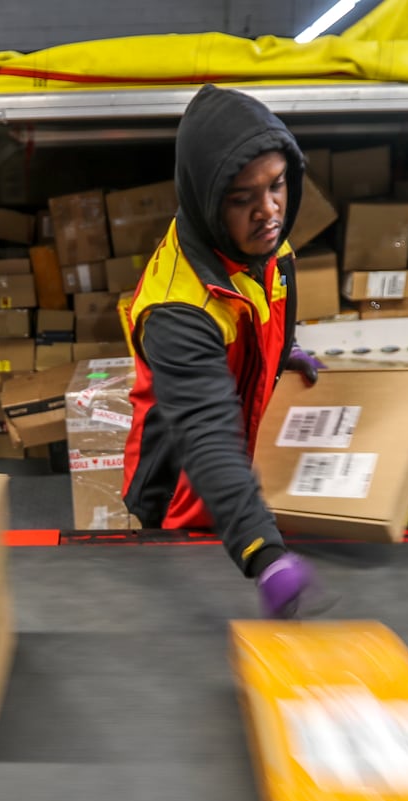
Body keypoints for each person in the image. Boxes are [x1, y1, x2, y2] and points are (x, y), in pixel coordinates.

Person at [119, 85, 325, 619]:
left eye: (277, 185)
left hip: (245, 482)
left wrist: (287, 354)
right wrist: (263, 552)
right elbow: (207, 439)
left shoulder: (271, 250)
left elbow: (276, 310)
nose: (268, 211)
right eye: (243, 199)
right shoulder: (178, 308)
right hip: (183, 499)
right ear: (208, 199)